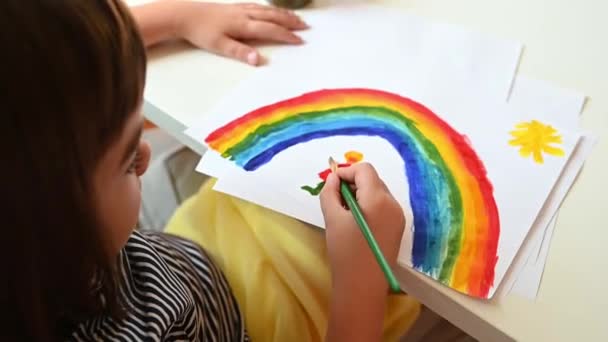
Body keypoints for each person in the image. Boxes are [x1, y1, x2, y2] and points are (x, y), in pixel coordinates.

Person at [1, 1, 419, 341]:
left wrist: (178, 16)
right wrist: (359, 288)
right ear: (52, 223)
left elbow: (40, 61)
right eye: (129, 158)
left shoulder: (34, 260)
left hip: (188, 254)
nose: (144, 155)